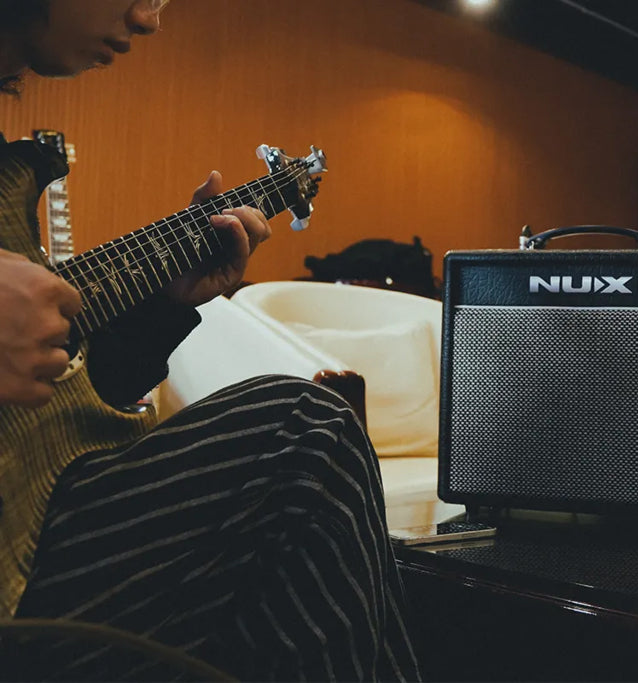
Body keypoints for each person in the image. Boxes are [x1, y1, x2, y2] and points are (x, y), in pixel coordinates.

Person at [0, 1, 420, 680]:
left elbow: (50, 422)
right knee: (304, 430)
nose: (149, 17)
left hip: (34, 528)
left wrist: (163, 309)